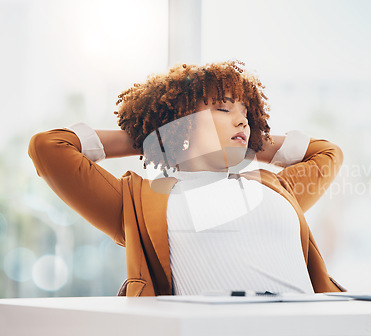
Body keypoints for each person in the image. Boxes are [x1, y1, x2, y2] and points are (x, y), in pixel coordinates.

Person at [28, 60, 346, 296]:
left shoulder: (276, 188)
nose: (242, 119)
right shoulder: (138, 204)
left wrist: (254, 143)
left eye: (246, 113)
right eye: (223, 109)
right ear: (181, 122)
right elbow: (50, 148)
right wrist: (154, 134)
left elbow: (328, 154)